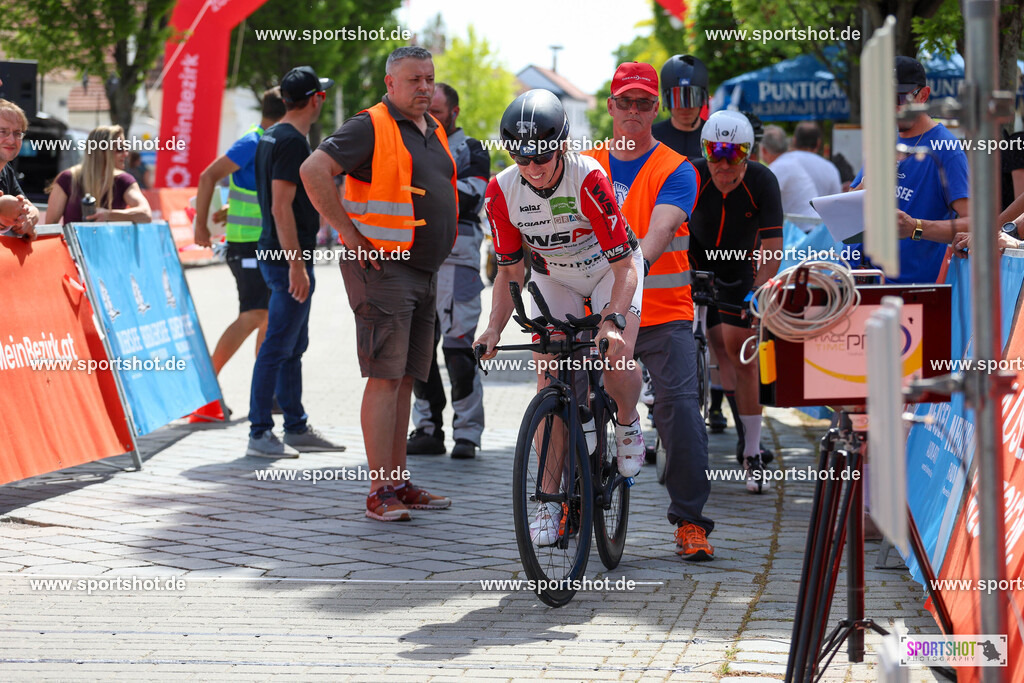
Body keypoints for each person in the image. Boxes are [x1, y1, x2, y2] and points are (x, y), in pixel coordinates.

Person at [475, 88, 647, 547]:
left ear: (563, 146)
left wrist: (611, 321)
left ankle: (627, 421)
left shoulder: (588, 177)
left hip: (610, 270)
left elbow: (625, 266)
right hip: (556, 277)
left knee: (615, 354)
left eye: (542, 157)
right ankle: (550, 501)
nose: (532, 168)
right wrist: (492, 328)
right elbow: (510, 271)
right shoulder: (501, 191)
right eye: (522, 158)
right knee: (549, 376)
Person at [300, 46, 457, 521]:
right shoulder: (370, 125)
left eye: (429, 78)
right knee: (385, 378)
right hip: (384, 270)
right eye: (414, 80)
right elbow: (313, 170)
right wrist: (349, 235)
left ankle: (398, 481)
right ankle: (379, 491)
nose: (425, 87)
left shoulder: (432, 129)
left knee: (405, 378)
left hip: (422, 270)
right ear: (390, 84)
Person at [583, 62, 714, 560]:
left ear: (655, 108)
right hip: (595, 313)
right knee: (571, 398)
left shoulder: (678, 169)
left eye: (643, 103)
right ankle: (571, 499)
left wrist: (629, 276)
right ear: (611, 106)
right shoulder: (583, 165)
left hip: (662, 311)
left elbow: (658, 234)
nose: (633, 110)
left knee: (679, 408)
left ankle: (690, 521)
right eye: (625, 101)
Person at [246, 66, 344, 458]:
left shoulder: (273, 135)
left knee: (292, 345)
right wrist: (296, 265)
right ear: (317, 99)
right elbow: (280, 206)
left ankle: (296, 426)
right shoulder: (289, 141)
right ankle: (259, 432)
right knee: (277, 346)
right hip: (288, 256)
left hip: (279, 253)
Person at [688, 110, 784, 493]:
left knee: (741, 355)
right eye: (716, 154)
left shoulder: (762, 180)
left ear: (749, 154)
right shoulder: (692, 174)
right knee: (709, 347)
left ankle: (752, 451)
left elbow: (773, 249)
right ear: (705, 152)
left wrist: (755, 295)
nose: (724, 165)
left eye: (734, 155)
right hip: (696, 263)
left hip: (741, 271)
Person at [406, 83, 491, 459]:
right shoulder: (411, 143)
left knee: (459, 351)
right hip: (415, 258)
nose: (429, 118)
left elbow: (471, 196)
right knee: (417, 351)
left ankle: (467, 434)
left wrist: (419, 187)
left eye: (436, 113)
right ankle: (427, 429)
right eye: (426, 112)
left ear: (454, 112)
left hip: (459, 261)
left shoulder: (472, 148)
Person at [191, 87, 285, 421]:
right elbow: (208, 175)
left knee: (268, 316)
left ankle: (266, 393)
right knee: (254, 315)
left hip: (262, 243)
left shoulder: (271, 142)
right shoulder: (252, 141)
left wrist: (230, 208)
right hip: (247, 244)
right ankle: (204, 391)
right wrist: (200, 226)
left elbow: (255, 193)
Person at [850, 56, 969, 284]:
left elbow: (972, 222)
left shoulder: (946, 149)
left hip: (913, 291)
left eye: (899, 98)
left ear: (923, 95)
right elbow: (850, 203)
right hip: (865, 280)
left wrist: (916, 227)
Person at [45, 125, 152, 225]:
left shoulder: (124, 181)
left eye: (126, 148)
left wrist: (108, 215)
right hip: (73, 240)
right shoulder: (68, 179)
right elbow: (50, 226)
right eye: (120, 149)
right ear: (101, 152)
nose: (126, 154)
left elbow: (146, 214)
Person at [759, 125, 818, 228]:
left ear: (764, 150)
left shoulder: (779, 167)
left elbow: (760, 199)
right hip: (810, 225)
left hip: (803, 229)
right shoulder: (789, 161)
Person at [652, 55, 708, 159]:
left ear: (702, 99)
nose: (685, 108)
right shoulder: (651, 138)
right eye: (677, 100)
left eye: (692, 99)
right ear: (667, 100)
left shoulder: (714, 137)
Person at [0, 98, 38, 239]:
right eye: (2, 132)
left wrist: (30, 218)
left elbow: (30, 208)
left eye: (17, 133)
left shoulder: (6, 171)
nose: (11, 140)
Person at [787, 122, 842, 198]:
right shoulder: (830, 168)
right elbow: (836, 198)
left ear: (794, 140)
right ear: (818, 143)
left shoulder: (784, 162)